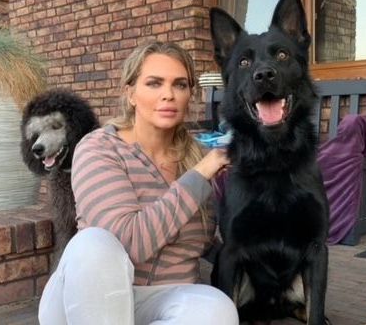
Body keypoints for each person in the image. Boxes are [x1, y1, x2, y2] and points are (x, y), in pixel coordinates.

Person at [38, 41, 239, 325]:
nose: (168, 95)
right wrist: (200, 174)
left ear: (189, 94)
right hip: (91, 297)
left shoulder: (197, 156)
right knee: (94, 243)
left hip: (164, 298)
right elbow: (128, 243)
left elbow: (200, 242)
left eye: (180, 85)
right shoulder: (101, 148)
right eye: (154, 83)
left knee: (217, 310)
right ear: (130, 93)